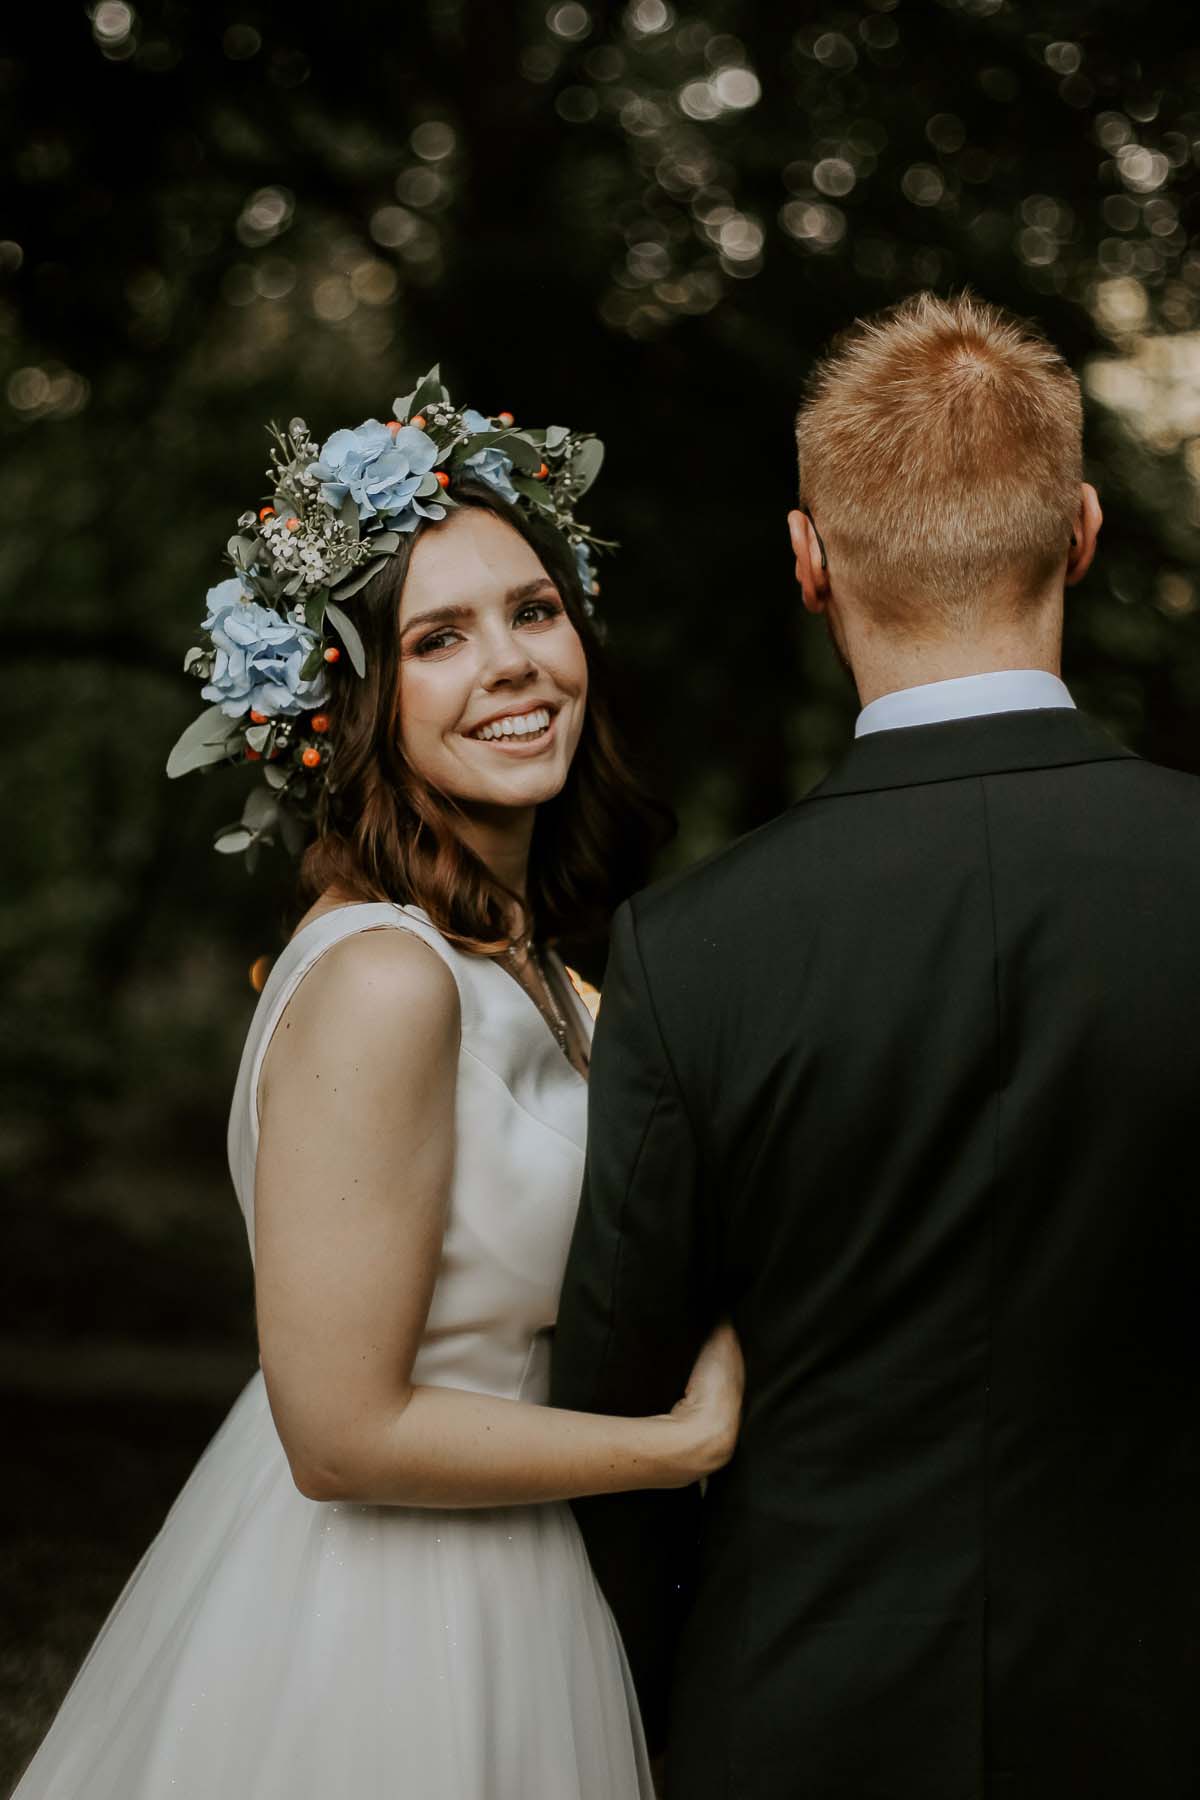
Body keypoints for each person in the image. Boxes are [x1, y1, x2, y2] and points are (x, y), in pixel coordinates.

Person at [13, 378, 743, 1799]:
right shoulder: (388, 979)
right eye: (438, 638)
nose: (515, 665)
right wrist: (681, 1446)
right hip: (386, 1632)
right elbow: (339, 1432)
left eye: (535, 612)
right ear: (353, 698)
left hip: (517, 1582)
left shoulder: (518, 965)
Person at [552, 292, 1200, 1799]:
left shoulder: (694, 950)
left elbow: (621, 1390)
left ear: (808, 561)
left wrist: (661, 1688)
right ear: (1085, 532)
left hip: (798, 1713)